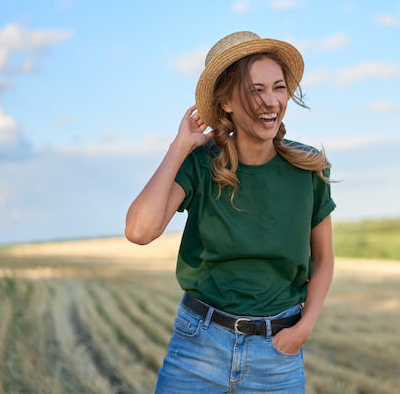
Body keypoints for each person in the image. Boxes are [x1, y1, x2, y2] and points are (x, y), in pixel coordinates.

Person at [125, 31, 336, 393]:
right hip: (198, 349)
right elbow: (139, 231)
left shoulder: (310, 169)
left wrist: (305, 326)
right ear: (226, 102)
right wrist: (180, 146)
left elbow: (324, 258)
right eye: (255, 90)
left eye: (278, 87)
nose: (270, 101)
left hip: (277, 354)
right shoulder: (201, 166)